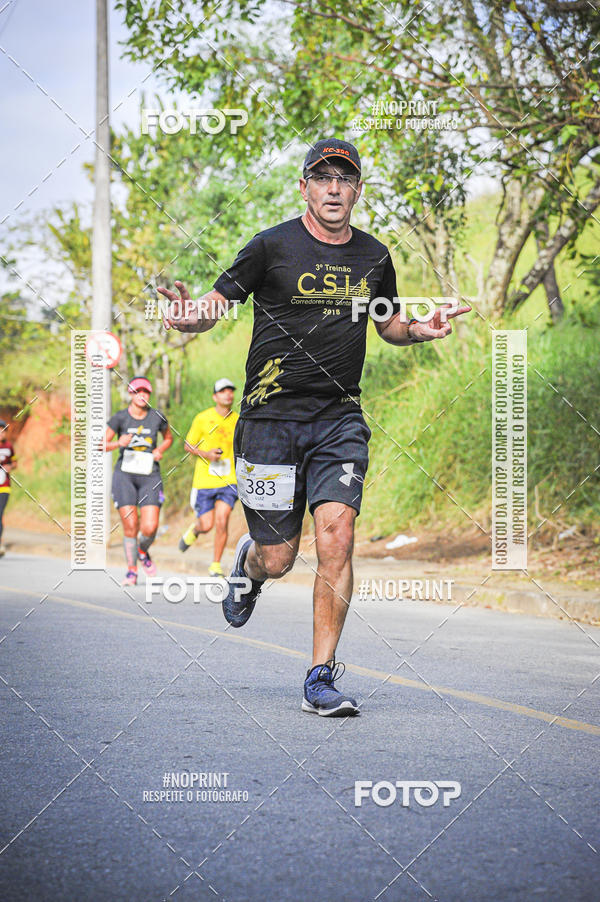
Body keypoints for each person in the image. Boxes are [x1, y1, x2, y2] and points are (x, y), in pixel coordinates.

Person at [159, 138, 471, 716]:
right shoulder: (271, 246)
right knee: (279, 558)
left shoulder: (375, 255)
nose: (333, 188)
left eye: (344, 178)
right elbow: (214, 304)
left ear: (357, 190)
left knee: (338, 538)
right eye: (322, 177)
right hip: (270, 421)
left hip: (337, 419)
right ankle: (249, 566)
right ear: (303, 186)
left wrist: (419, 329)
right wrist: (184, 317)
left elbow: (389, 323)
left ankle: (320, 676)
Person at [103, 377, 173, 586]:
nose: (141, 395)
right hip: (125, 476)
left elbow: (168, 437)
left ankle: (142, 551)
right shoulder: (120, 418)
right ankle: (131, 571)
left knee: (150, 527)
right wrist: (118, 443)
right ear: (130, 394)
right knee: (130, 524)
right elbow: (100, 445)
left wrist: (160, 449)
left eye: (145, 391)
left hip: (150, 475)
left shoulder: (156, 417)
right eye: (137, 391)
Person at [178, 378, 239, 576]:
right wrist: (207, 454)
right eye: (222, 391)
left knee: (222, 519)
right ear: (215, 396)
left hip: (229, 480)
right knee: (206, 524)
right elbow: (188, 445)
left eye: (230, 391)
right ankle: (194, 531)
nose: (227, 394)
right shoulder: (203, 418)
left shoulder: (238, 420)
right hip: (204, 480)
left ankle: (215, 565)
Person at [0, 419, 17, 557]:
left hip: (4, 486)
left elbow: (15, 462)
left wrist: (9, 466)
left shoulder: (9, 447)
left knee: (0, 513)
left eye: (3, 431)